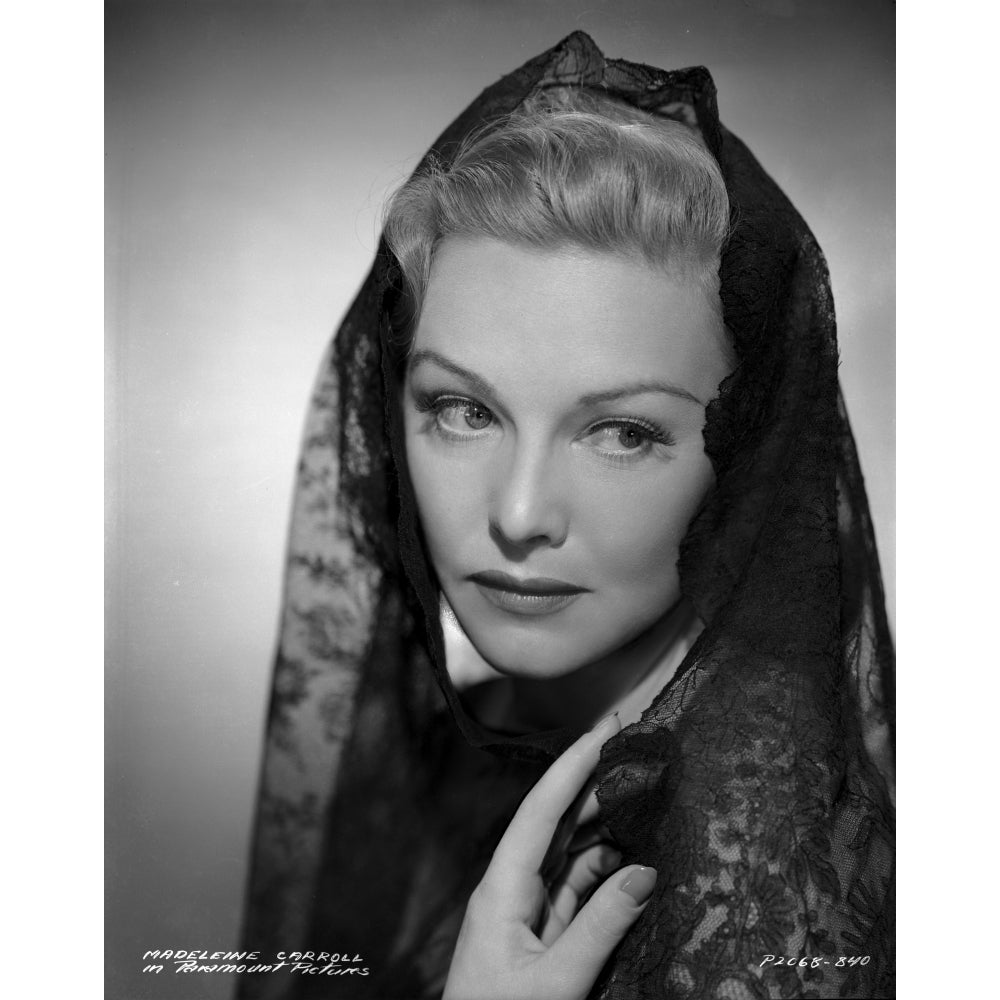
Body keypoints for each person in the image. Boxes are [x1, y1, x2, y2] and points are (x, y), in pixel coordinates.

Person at [238, 32, 894, 1000]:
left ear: (747, 455)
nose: (517, 513)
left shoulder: (781, 884)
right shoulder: (484, 736)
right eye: (462, 411)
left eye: (622, 432)